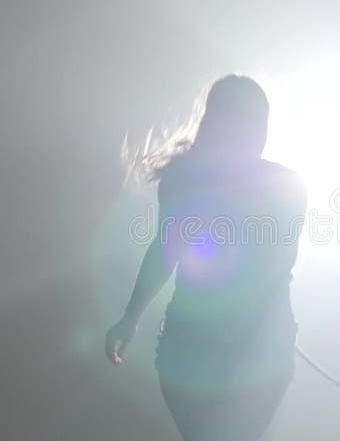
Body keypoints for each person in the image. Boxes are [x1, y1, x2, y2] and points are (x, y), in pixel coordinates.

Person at [106, 75, 307, 441]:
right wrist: (130, 318)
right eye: (246, 123)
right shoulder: (190, 182)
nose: (255, 134)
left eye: (259, 124)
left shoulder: (283, 187)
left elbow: (273, 268)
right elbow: (165, 253)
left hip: (245, 355)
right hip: (206, 352)